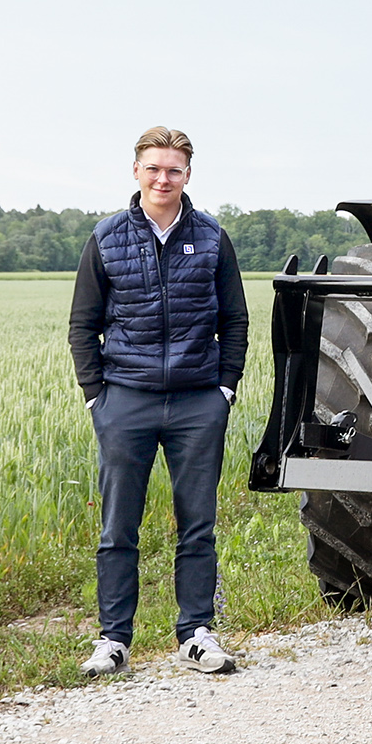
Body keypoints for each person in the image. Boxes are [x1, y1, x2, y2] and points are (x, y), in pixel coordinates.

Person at [67, 126, 251, 677]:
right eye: (153, 168)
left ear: (188, 174)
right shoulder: (106, 237)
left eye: (173, 169)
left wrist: (224, 389)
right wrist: (95, 396)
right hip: (126, 400)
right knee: (117, 526)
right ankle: (113, 640)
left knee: (197, 523)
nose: (163, 178)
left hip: (198, 402)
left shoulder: (213, 238)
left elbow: (235, 319)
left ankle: (196, 632)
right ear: (136, 172)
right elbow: (83, 324)